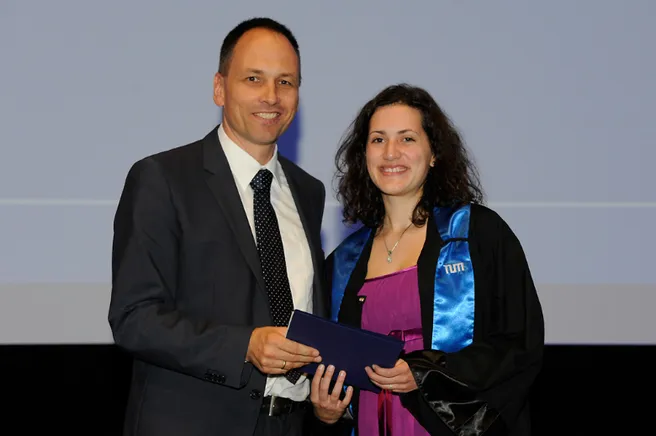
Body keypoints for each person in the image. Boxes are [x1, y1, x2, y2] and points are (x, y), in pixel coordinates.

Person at [108, 17, 328, 436]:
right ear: (220, 88)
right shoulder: (163, 178)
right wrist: (245, 345)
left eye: (285, 82)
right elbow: (134, 318)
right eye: (253, 78)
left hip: (288, 424)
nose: (271, 96)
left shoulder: (308, 191)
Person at [309, 84, 544, 436]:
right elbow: (333, 365)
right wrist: (327, 412)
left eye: (407, 139)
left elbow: (519, 345)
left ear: (433, 153)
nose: (391, 153)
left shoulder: (478, 234)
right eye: (378, 140)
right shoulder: (342, 263)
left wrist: (425, 372)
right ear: (364, 156)